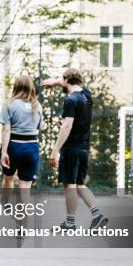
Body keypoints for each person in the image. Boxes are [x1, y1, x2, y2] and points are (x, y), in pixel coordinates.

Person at [42, 69, 107, 230]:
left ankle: (70, 223)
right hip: (84, 148)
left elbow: (67, 126)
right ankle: (97, 214)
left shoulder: (70, 100)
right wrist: (56, 81)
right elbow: (69, 82)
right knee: (79, 184)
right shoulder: (86, 95)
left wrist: (55, 150)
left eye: (61, 80)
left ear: (66, 80)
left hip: (71, 148)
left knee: (70, 185)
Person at [0, 75, 44, 190]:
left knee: (8, 178)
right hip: (31, 147)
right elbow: (39, 127)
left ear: (16, 87)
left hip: (13, 147)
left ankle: (7, 206)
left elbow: (6, 129)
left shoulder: (9, 104)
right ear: (31, 88)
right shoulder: (37, 106)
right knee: (25, 187)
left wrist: (4, 152)